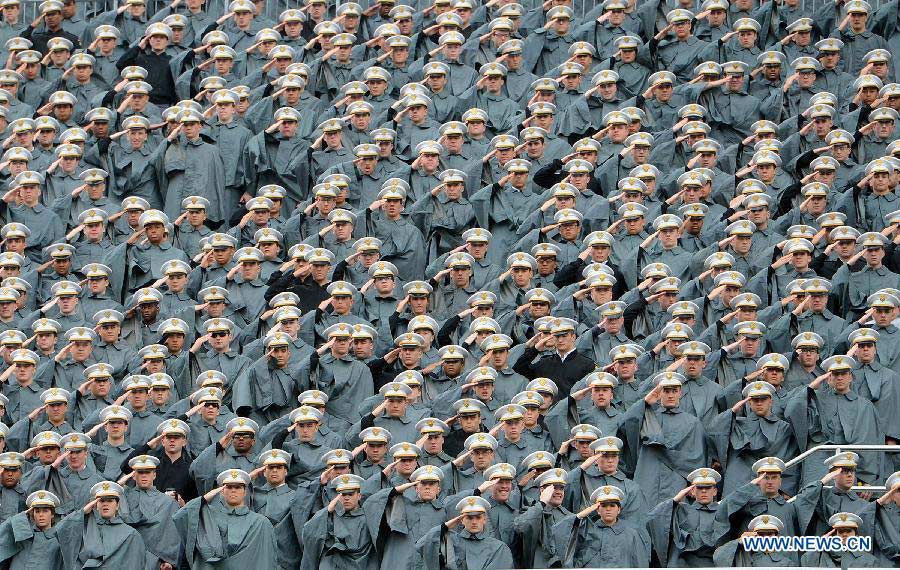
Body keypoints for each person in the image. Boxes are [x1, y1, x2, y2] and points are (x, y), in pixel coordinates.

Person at [173, 468, 278, 568]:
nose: (233, 490)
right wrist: (205, 498)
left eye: (238, 487)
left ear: (245, 492)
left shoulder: (260, 522)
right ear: (222, 491)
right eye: (229, 487)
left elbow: (266, 560)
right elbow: (180, 517)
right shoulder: (208, 517)